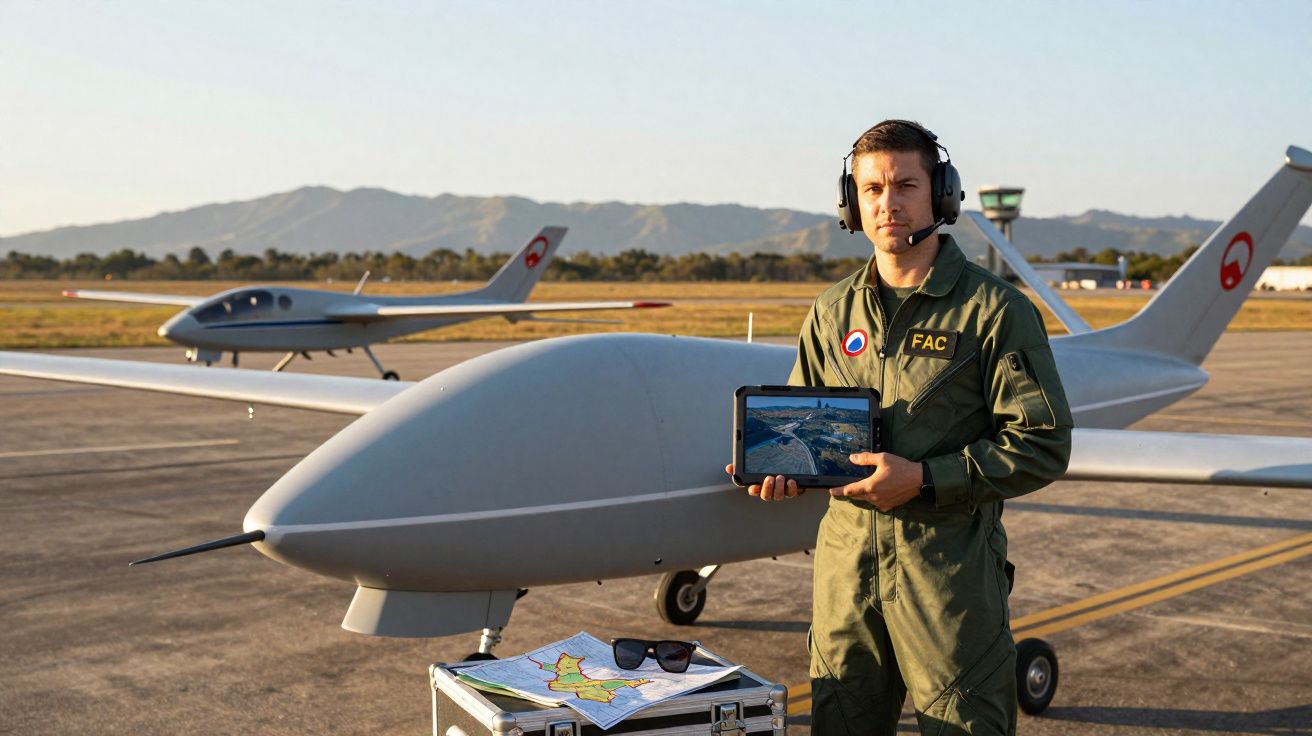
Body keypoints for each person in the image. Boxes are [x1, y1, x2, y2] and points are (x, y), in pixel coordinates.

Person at [728, 120, 1072, 735]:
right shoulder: (832, 311)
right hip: (845, 573)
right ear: (851, 202)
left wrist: (924, 478)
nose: (887, 204)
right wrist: (779, 467)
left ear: (940, 194)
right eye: (871, 189)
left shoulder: (995, 312)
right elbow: (808, 425)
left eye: (905, 185)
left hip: (948, 576)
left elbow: (1043, 445)